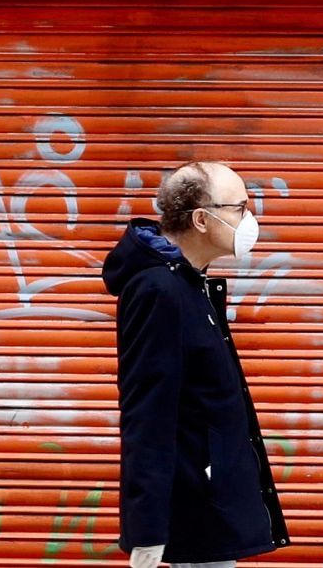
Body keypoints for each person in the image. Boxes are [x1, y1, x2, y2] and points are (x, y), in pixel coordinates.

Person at [101, 161, 291, 568]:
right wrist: (147, 530)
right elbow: (146, 413)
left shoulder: (189, 283)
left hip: (211, 505)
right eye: (239, 207)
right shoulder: (159, 291)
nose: (249, 218)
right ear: (203, 220)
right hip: (195, 511)